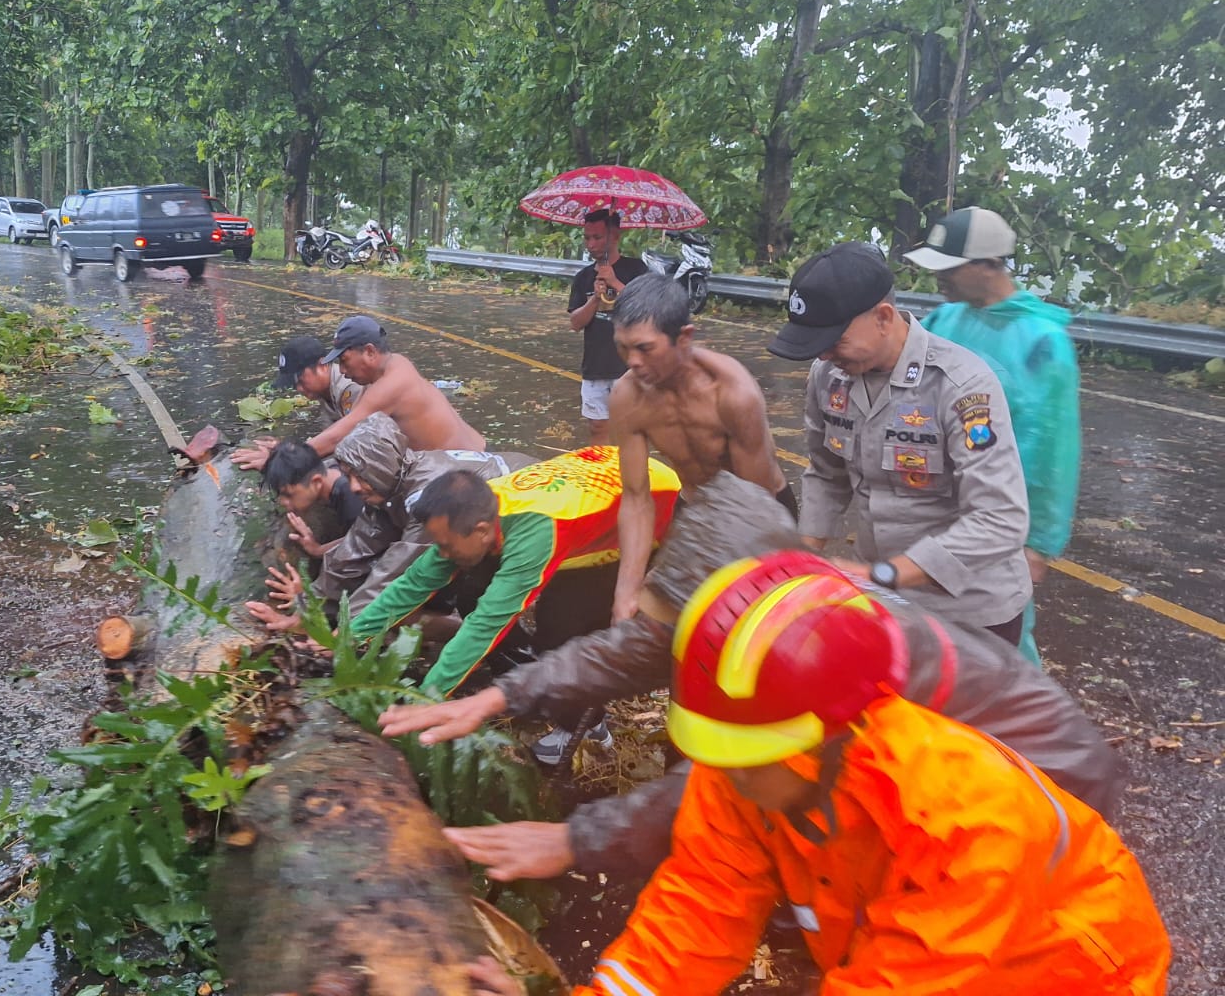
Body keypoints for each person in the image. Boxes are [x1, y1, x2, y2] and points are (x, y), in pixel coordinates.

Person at [380, 482, 1123, 883]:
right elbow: (625, 653)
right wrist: (502, 695)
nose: (659, 647)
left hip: (1041, 792)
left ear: (747, 608)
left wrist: (579, 838)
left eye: (679, 634)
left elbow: (728, 791)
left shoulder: (841, 660)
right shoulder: (761, 619)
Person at [562, 560, 1170, 996]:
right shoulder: (748, 766)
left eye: (740, 756)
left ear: (828, 737)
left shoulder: (970, 826)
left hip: (1077, 977)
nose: (718, 774)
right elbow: (697, 907)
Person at [768, 241, 1033, 642]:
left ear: (883, 317)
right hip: (883, 598)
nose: (823, 356)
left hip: (968, 612)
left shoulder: (961, 385)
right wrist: (801, 556)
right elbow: (826, 473)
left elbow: (999, 519)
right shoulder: (829, 378)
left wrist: (887, 573)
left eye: (834, 340)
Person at [344, 451, 680, 695]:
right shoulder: (477, 509)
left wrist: (427, 699)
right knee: (472, 589)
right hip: (604, 472)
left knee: (562, 628)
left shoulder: (535, 536)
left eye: (446, 545)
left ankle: (588, 725)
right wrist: (345, 639)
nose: (440, 554)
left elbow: (486, 623)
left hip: (647, 509)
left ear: (481, 531)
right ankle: (521, 658)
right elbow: (414, 582)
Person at [907, 206, 1081, 666]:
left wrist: (1038, 541)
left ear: (987, 265)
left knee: (1002, 638)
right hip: (934, 502)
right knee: (930, 625)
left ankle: (1026, 732)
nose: (938, 279)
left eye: (949, 268)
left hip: (999, 517)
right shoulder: (946, 320)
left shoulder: (1042, 342)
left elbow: (1053, 449)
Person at [608, 273, 792, 625]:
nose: (631, 361)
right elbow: (636, 499)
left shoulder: (733, 394)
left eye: (645, 348)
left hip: (760, 509)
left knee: (751, 624)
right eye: (623, 347)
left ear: (684, 338)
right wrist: (626, 590)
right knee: (654, 617)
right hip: (694, 508)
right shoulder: (626, 397)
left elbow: (757, 506)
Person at [244, 414, 525, 630]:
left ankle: (487, 638)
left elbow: (390, 576)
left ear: (381, 467)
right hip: (481, 521)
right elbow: (351, 553)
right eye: (347, 476)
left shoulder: (422, 496)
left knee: (449, 594)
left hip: (523, 506)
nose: (352, 487)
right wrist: (307, 608)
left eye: (358, 476)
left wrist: (343, 632)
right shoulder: (390, 484)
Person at [311, 315, 487, 458]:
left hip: (471, 467)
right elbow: (347, 427)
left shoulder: (391, 385)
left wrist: (289, 457)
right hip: (475, 455)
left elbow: (337, 438)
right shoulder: (397, 363)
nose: (341, 370)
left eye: (344, 360)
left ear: (370, 352)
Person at [567, 209, 649, 445]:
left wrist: (614, 282)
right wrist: (595, 298)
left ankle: (630, 478)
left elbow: (646, 309)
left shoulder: (637, 270)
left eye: (598, 237)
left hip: (630, 366)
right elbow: (575, 323)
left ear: (615, 236)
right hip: (596, 365)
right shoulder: (583, 277)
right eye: (587, 237)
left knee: (631, 430)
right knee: (598, 428)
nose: (591, 244)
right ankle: (600, 477)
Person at [231, 334, 365, 470]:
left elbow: (344, 441)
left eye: (300, 380)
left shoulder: (348, 388)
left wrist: (284, 461)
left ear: (322, 365)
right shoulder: (324, 390)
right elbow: (329, 439)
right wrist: (286, 449)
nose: (299, 389)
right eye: (294, 385)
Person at [259, 438, 365, 561]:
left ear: (316, 482)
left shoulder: (353, 501)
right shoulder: (333, 469)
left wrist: (318, 550)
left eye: (288, 495)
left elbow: (362, 541)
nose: (282, 502)